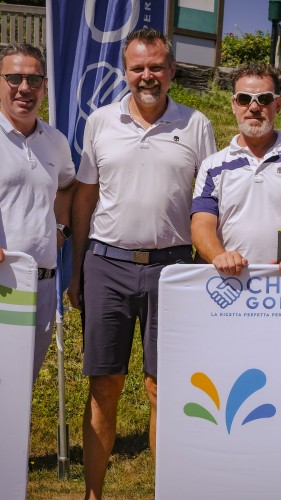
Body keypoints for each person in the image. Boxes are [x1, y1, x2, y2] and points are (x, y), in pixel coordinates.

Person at [67, 28, 216, 499]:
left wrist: (207, 267)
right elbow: (85, 197)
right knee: (104, 385)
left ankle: (164, 491)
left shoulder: (196, 124)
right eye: (138, 68)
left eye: (156, 66)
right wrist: (76, 270)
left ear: (171, 71)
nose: (147, 76)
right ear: (125, 71)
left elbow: (210, 201)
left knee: (162, 388)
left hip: (172, 269)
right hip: (106, 265)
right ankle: (93, 494)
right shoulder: (100, 121)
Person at [191, 63, 281, 277]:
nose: (254, 107)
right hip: (231, 280)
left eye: (264, 99)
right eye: (244, 99)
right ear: (234, 104)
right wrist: (219, 256)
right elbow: (202, 223)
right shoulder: (213, 165)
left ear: (278, 104)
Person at [0, 43, 75, 382]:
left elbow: (67, 186)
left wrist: (61, 229)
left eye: (33, 80)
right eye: (14, 78)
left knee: (20, 386)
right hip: (3, 281)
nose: (24, 88)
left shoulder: (55, 141)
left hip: (42, 284)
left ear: (44, 86)